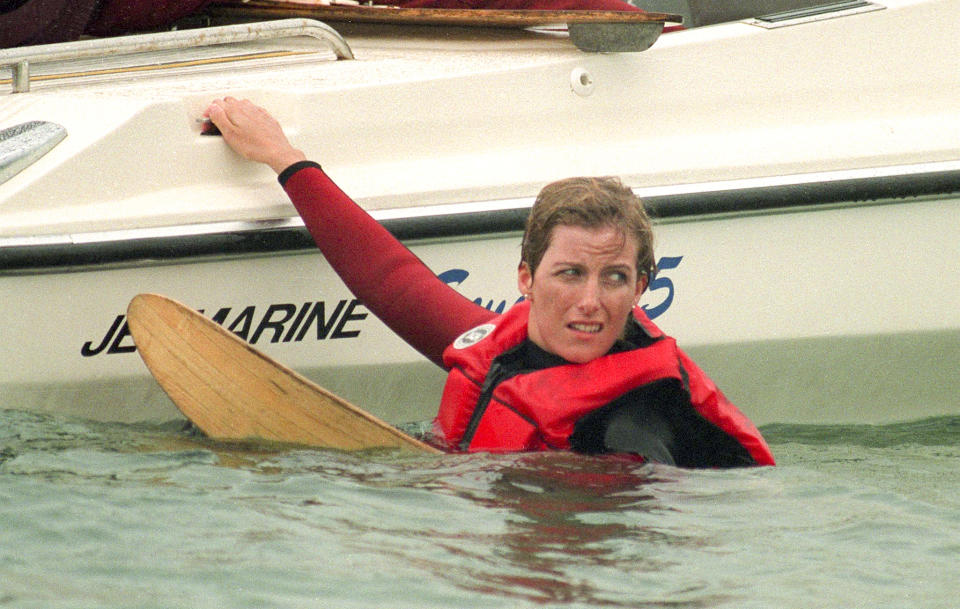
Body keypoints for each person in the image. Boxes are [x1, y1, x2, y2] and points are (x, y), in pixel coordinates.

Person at [204, 97, 775, 468]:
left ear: (642, 288)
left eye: (615, 279)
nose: (590, 302)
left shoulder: (635, 426)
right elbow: (393, 282)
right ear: (526, 278)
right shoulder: (508, 348)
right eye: (570, 273)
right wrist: (285, 159)